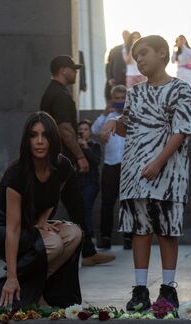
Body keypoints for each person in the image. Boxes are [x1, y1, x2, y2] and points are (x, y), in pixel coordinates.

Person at [117, 35, 191, 310]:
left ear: (163, 54)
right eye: (135, 55)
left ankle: (168, 289)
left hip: (168, 174)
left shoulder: (180, 89)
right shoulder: (135, 92)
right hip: (135, 174)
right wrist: (113, 126)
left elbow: (181, 131)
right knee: (140, 230)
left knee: (166, 230)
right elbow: (127, 126)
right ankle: (140, 289)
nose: (138, 59)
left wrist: (158, 162)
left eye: (144, 53)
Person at [0, 112, 84, 308]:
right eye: (33, 135)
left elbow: (53, 196)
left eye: (45, 135)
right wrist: (12, 275)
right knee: (52, 243)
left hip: (29, 223)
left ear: (53, 139)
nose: (39, 141)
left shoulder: (61, 166)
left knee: (74, 233)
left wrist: (43, 221)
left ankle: (36, 290)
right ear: (26, 140)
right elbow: (13, 229)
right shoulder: (16, 174)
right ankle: (12, 284)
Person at [40, 55, 115, 267]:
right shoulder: (60, 96)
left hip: (55, 159)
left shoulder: (51, 92)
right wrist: (80, 156)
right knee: (51, 207)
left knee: (75, 206)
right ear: (63, 70)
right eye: (73, 69)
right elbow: (65, 129)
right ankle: (27, 251)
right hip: (60, 160)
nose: (76, 72)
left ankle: (89, 252)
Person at [93, 84, 131, 250]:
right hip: (110, 165)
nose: (120, 101)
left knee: (129, 202)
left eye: (123, 98)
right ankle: (106, 237)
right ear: (111, 100)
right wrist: (104, 113)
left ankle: (129, 237)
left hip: (128, 165)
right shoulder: (106, 117)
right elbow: (95, 129)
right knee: (107, 203)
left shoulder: (131, 115)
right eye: (117, 99)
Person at [76, 119, 101, 244]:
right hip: (77, 183)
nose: (82, 132)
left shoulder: (95, 145)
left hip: (91, 183)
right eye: (80, 130)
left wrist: (85, 147)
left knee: (86, 208)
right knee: (79, 210)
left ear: (90, 132)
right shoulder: (74, 147)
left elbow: (96, 161)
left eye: (85, 129)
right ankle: (81, 238)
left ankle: (90, 237)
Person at [105, 30, 130, 100]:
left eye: (128, 35)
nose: (126, 37)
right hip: (117, 80)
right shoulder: (115, 49)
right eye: (124, 35)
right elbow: (109, 65)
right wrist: (109, 78)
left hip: (130, 79)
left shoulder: (134, 49)